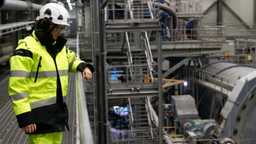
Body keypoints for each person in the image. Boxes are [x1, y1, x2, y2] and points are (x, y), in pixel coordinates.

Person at [8, 2, 94, 144]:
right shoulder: (27, 49)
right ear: (46, 25)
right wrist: (24, 117)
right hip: (39, 117)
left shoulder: (57, 47)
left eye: (62, 28)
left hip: (56, 115)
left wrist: (83, 67)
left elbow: (71, 59)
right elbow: (17, 87)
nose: (60, 32)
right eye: (58, 28)